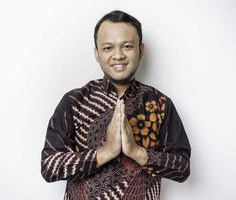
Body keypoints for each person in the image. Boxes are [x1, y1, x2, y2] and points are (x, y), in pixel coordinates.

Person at [41, 10, 191, 200]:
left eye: (127, 46)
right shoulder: (74, 102)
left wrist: (138, 153)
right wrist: (104, 153)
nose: (118, 55)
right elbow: (49, 167)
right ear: (97, 53)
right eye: (107, 48)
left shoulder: (160, 104)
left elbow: (183, 168)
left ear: (141, 50)